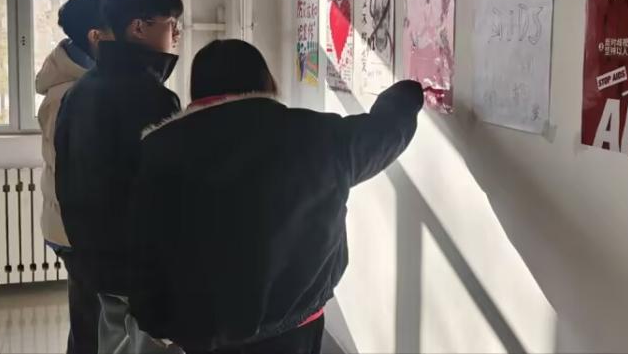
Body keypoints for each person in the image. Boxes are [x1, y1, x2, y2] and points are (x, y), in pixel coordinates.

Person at [129, 40, 423, 353]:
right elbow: (384, 133)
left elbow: (144, 245)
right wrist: (406, 93)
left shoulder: (158, 150)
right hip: (296, 327)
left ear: (197, 88)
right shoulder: (316, 135)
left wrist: (155, 321)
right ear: (264, 79)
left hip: (203, 333)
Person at [53, 0, 184, 354]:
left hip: (93, 258)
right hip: (136, 267)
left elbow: (66, 176)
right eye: (171, 23)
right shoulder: (152, 99)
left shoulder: (81, 90)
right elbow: (164, 191)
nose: (177, 34)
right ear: (139, 27)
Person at [36, 0, 111, 354]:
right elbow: (82, 168)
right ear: (96, 36)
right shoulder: (69, 94)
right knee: (91, 327)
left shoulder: (84, 83)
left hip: (75, 224)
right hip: (77, 228)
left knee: (91, 320)